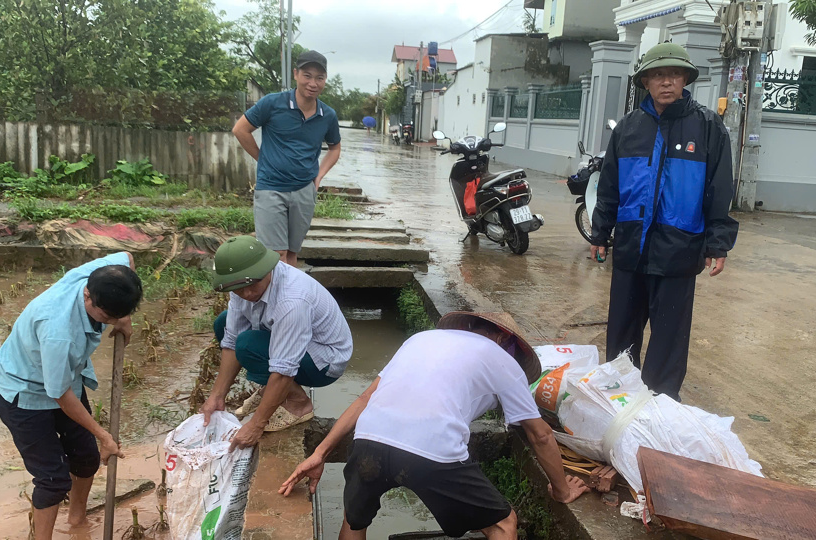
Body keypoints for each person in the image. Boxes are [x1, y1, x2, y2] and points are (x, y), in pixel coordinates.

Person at [280, 312, 588, 539]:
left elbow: (364, 399)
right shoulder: (501, 358)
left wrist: (321, 452)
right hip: (431, 451)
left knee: (354, 519)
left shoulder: (420, 339)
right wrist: (561, 490)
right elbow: (540, 434)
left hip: (369, 439)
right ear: (503, 339)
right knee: (503, 523)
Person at [588, 42, 739, 400]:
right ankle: (618, 398)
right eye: (657, 75)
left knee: (669, 336)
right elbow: (609, 185)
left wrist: (718, 241)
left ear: (685, 78)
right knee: (622, 333)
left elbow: (719, 189)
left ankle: (660, 403)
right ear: (646, 82)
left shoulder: (707, 127)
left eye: (673, 74)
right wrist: (600, 231)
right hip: (631, 247)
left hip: (679, 249)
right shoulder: (628, 128)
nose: (666, 82)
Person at [0, 252, 142, 540]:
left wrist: (123, 318)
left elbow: (128, 257)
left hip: (63, 382)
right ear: (88, 295)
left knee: (86, 459)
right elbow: (60, 395)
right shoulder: (58, 332)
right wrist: (104, 436)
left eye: (116, 315)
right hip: (23, 396)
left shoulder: (103, 275)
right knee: (52, 479)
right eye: (106, 317)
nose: (110, 321)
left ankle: (77, 520)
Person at [201, 235, 352, 448]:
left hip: (324, 361)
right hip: (294, 341)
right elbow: (231, 339)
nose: (247, 293)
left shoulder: (292, 300)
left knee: (248, 345)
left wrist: (256, 425)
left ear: (267, 269)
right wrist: (216, 396)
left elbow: (283, 370)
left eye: (253, 283)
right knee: (223, 323)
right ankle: (276, 394)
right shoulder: (242, 285)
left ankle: (299, 403)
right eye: (239, 288)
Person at [232, 50, 342, 268]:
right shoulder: (273, 103)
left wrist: (319, 176)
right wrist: (262, 159)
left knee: (292, 253)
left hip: (304, 190)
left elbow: (335, 148)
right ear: (296, 74)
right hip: (271, 188)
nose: (313, 83)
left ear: (325, 80)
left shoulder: (327, 115)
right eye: (307, 75)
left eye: (319, 78)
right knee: (276, 253)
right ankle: (273, 300)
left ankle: (287, 300)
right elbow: (240, 129)